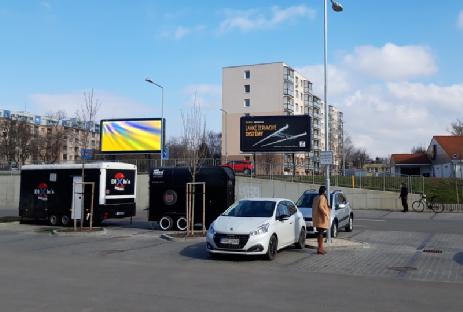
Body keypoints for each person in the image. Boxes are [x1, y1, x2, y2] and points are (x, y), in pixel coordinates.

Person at [312, 185, 330, 255]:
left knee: (319, 233)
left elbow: (314, 207)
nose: (326, 192)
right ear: (324, 191)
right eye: (325, 191)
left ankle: (320, 248)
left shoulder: (316, 198)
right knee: (321, 233)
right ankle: (320, 249)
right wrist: (326, 214)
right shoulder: (322, 197)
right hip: (321, 218)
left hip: (316, 218)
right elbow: (320, 206)